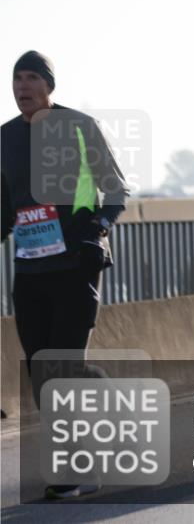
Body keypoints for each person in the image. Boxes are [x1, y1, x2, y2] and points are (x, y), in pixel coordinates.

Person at [1, 50, 130, 500]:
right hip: (31, 271)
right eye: (16, 78)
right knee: (43, 371)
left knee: (60, 367)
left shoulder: (79, 126)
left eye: (31, 77)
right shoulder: (5, 138)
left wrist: (96, 227)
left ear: (49, 86)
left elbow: (115, 189)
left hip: (76, 265)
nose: (22, 86)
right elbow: (4, 206)